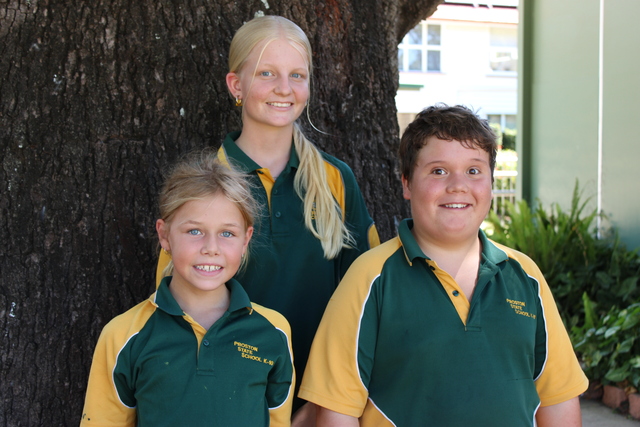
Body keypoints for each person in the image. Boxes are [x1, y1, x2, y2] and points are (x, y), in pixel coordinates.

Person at [299, 104, 589, 426]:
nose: (458, 185)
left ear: (491, 182)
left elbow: (558, 399)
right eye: (438, 171)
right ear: (407, 183)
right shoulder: (370, 278)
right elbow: (337, 410)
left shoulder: (525, 276)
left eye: (474, 171)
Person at [155, 15, 379, 419]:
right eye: (266, 73)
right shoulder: (205, 186)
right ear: (236, 85)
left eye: (297, 75)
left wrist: (323, 404)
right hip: (228, 403)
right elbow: (172, 315)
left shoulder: (335, 179)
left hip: (323, 406)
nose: (284, 88)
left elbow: (366, 304)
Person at [81, 152, 294, 427]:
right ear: (164, 235)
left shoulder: (273, 331)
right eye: (194, 231)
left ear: (245, 240)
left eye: (227, 233)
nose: (211, 248)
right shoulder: (123, 335)